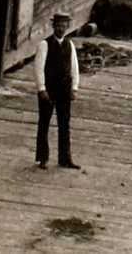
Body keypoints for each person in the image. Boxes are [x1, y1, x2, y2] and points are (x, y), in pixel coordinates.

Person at [35, 12, 80, 170]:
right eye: (58, 26)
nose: (61, 29)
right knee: (44, 123)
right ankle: (43, 158)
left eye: (64, 26)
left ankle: (65, 158)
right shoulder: (44, 45)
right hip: (49, 89)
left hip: (64, 90)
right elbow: (39, 69)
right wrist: (42, 89)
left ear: (68, 27)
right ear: (53, 26)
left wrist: (74, 88)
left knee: (64, 124)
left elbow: (74, 68)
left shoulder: (70, 45)